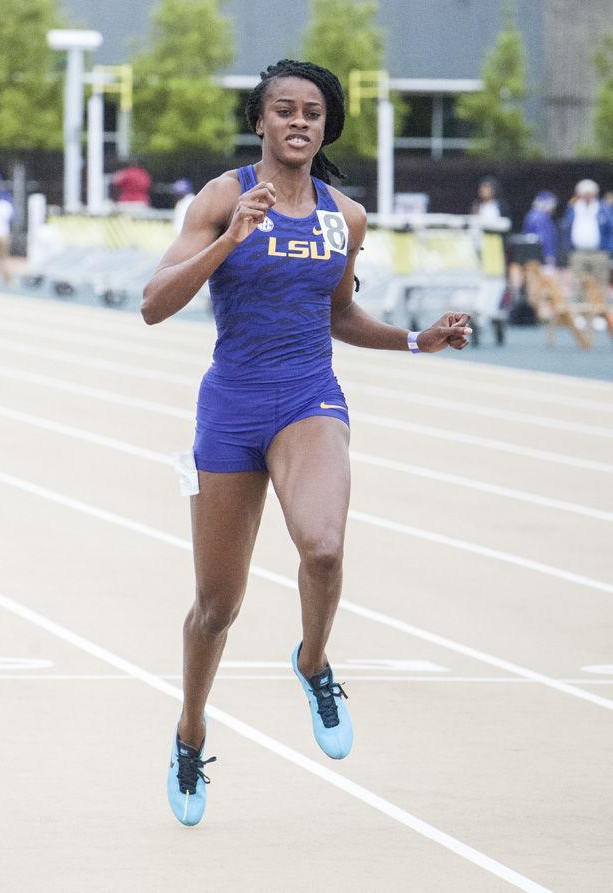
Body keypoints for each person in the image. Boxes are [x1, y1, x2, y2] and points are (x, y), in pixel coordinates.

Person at [141, 59, 472, 828]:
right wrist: (231, 238)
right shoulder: (222, 197)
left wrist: (415, 342)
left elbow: (339, 317)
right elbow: (155, 305)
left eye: (312, 113)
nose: (298, 122)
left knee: (322, 546)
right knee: (216, 608)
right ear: (259, 120)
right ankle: (191, 727)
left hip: (308, 394)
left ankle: (313, 661)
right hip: (230, 405)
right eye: (284, 109)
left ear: (326, 126)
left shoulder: (343, 217)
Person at [562, 179, 613, 297]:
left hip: (599, 252)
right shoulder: (573, 208)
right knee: (579, 284)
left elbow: (610, 229)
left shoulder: (603, 208)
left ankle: (598, 313)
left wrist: (609, 250)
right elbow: (566, 230)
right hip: (578, 252)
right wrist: (568, 250)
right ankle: (581, 313)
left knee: (600, 284)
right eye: (584, 194)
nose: (587, 197)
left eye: (589, 194)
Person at [522, 190, 559, 267]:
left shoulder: (541, 216)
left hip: (537, 255)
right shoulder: (539, 217)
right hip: (540, 256)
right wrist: (549, 255)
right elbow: (544, 239)